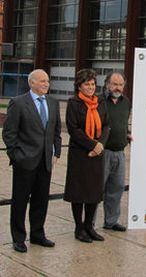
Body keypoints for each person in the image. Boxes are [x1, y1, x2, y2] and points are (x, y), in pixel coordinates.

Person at [2, 69, 62, 253]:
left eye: (47, 81)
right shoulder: (18, 103)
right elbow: (9, 133)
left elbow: (56, 131)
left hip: (45, 162)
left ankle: (38, 235)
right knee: (20, 201)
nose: (46, 84)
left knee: (41, 200)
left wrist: (56, 152)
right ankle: (19, 238)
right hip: (25, 162)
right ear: (32, 83)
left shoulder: (53, 102)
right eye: (42, 81)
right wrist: (17, 156)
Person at [64, 69, 109, 243]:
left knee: (94, 191)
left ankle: (89, 226)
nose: (90, 87)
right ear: (79, 86)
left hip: (97, 153)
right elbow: (73, 130)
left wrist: (100, 145)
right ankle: (79, 228)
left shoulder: (100, 102)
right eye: (86, 84)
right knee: (79, 192)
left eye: (92, 84)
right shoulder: (73, 103)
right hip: (80, 154)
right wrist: (93, 145)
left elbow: (107, 126)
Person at [100, 72, 131, 232]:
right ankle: (88, 224)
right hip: (103, 152)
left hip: (120, 152)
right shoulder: (99, 101)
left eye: (120, 84)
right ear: (107, 84)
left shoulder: (126, 102)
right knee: (97, 189)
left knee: (116, 188)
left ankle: (111, 221)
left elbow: (124, 123)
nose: (117, 87)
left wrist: (127, 134)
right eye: (114, 84)